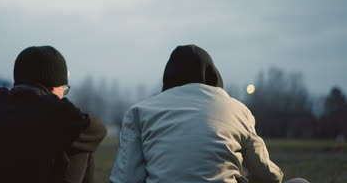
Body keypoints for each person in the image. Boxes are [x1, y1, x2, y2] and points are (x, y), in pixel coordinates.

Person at [109, 44, 309, 183]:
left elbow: (124, 179)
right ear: (214, 76)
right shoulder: (238, 110)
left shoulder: (139, 112)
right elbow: (268, 176)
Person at [0, 46, 107, 183]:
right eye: (64, 88)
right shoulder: (53, 108)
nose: (63, 95)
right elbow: (98, 130)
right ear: (52, 85)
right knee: (82, 144)